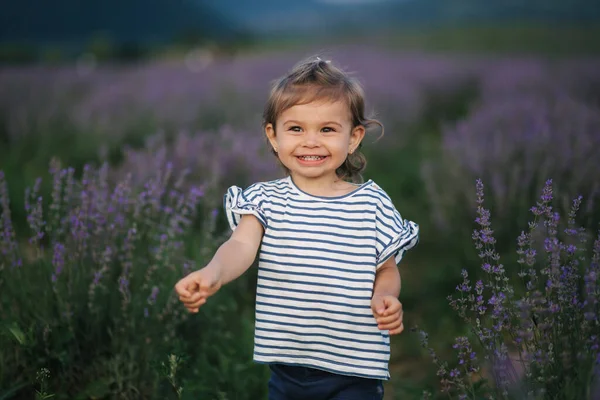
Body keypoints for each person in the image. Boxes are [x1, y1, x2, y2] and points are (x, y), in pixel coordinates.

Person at [175, 56, 420, 400]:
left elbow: (387, 268)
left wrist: (385, 296)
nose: (310, 141)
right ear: (273, 136)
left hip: (354, 368)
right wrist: (213, 272)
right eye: (296, 129)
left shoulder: (371, 203)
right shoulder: (264, 200)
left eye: (327, 130)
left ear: (353, 138)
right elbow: (241, 246)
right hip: (287, 367)